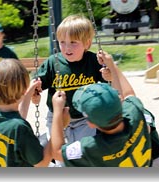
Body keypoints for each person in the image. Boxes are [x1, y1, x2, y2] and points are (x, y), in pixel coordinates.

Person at [51, 50, 152, 167]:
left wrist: (57, 112)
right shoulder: (135, 112)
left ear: (91, 123)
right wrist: (112, 65)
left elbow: (57, 152)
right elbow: (128, 94)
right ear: (119, 102)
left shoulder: (93, 147)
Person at [35, 15, 110, 144]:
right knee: (60, 157)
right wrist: (34, 90)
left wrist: (109, 76)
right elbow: (37, 82)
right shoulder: (53, 62)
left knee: (83, 154)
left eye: (73, 42)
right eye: (62, 42)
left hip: (85, 119)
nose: (67, 48)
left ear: (87, 43)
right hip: (57, 117)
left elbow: (109, 85)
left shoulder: (93, 61)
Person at [0, 58, 52, 167]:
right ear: (23, 90)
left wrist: (28, 92)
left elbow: (15, 117)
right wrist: (58, 124)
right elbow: (42, 164)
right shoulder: (20, 128)